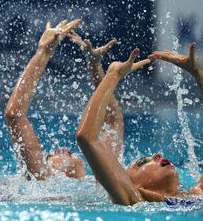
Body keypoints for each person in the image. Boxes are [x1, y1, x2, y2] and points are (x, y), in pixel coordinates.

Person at [76, 46, 202, 206]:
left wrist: (198, 74)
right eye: (142, 161)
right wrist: (113, 75)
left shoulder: (197, 193)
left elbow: (113, 121)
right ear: (132, 184)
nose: (157, 155)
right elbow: (86, 137)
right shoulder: (133, 198)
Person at [4, 19, 86, 180]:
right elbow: (13, 114)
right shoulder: (43, 179)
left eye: (50, 154)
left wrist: (95, 64)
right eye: (49, 156)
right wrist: (43, 52)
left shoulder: (98, 186)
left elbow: (116, 121)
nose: (60, 149)